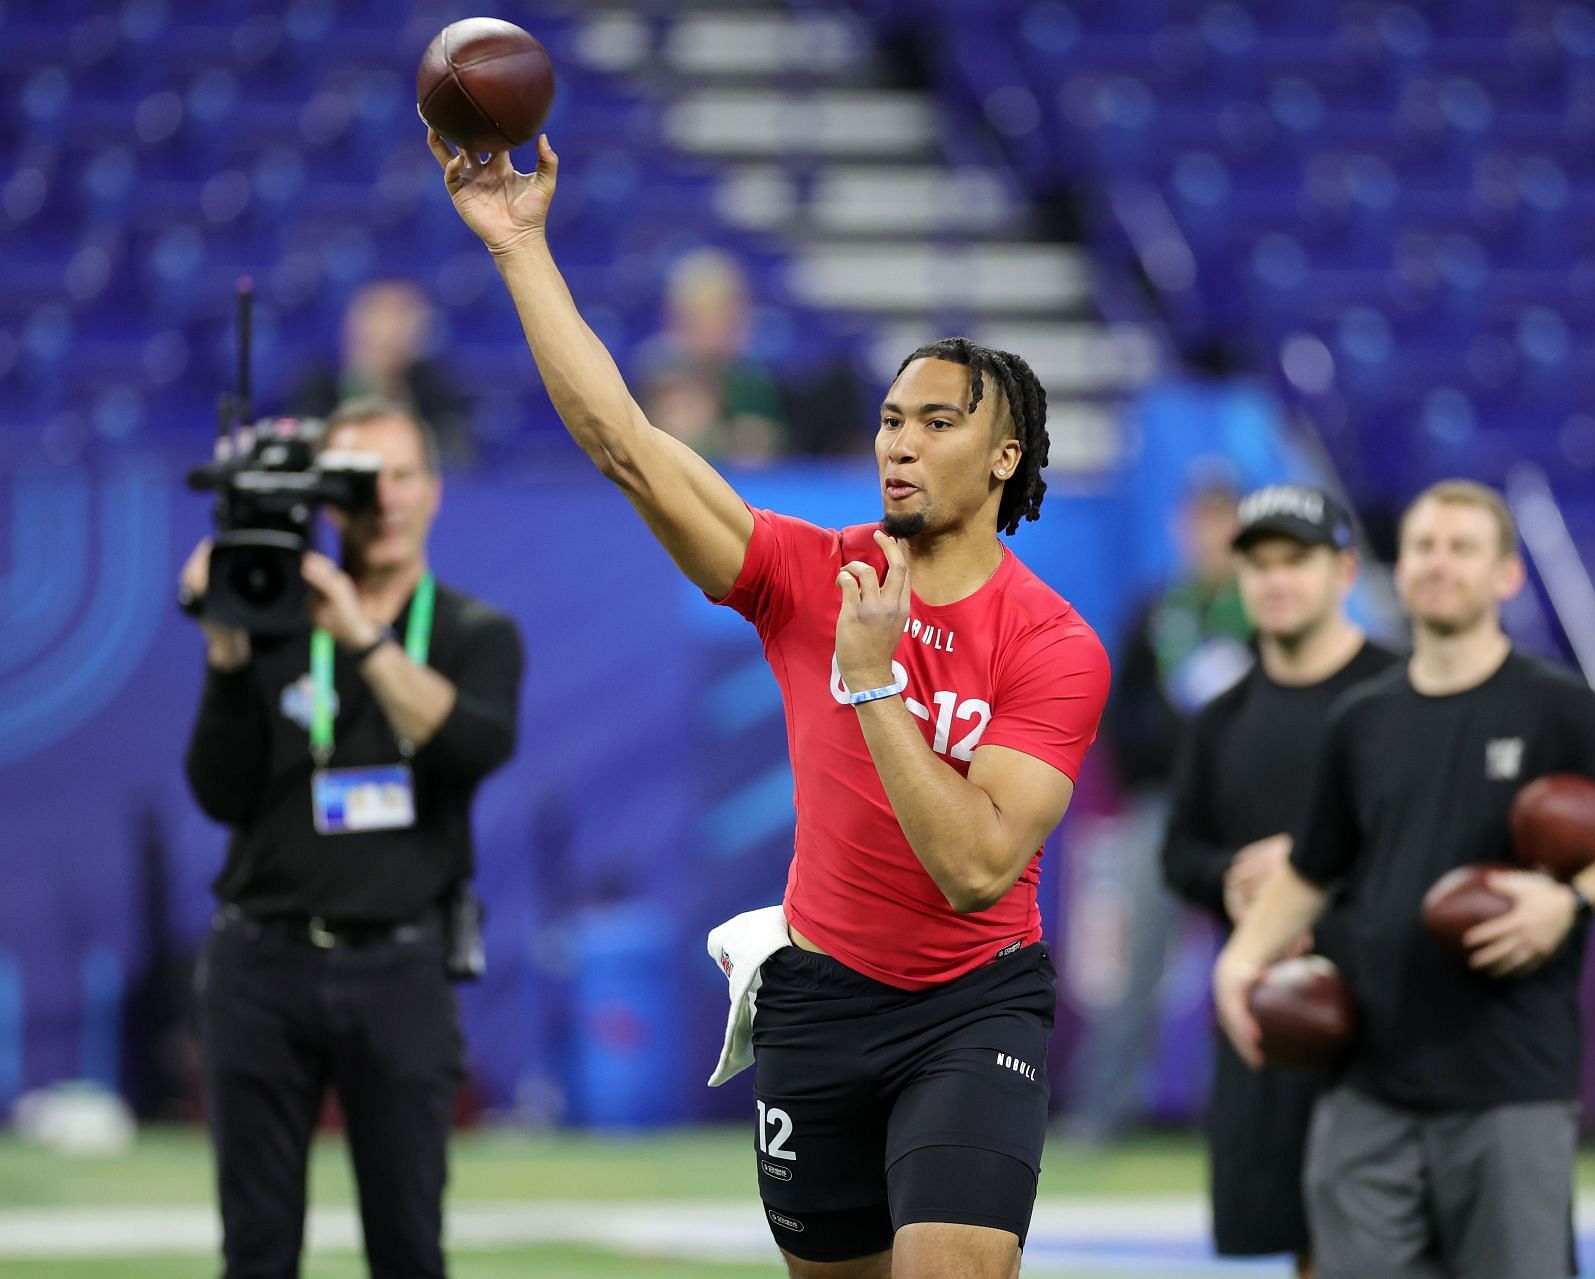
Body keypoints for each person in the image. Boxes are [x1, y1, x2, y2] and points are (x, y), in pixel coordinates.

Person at [427, 129, 1111, 1279]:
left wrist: (875, 679)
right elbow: (629, 449)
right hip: (820, 1001)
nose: (900, 441)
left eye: (938, 423)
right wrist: (519, 247)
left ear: (1006, 458)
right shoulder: (807, 570)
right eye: (892, 418)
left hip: (970, 1007)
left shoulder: (1053, 643)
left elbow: (977, 868)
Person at [1212, 480, 1595, 1279]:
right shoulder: (1362, 719)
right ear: (1397, 568)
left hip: (1508, 1083)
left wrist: (1570, 900)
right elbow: (1313, 869)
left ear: (1507, 574)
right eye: (1423, 547)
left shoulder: (1557, 706)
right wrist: (1241, 959)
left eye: (1462, 547)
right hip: (1367, 1078)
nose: (1438, 564)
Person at [179, 397, 523, 1279]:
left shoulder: (473, 632)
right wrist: (226, 649)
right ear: (328, 499)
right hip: (261, 962)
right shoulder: (271, 618)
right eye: (360, 480)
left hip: (399, 967)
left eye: (401, 474)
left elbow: (471, 746)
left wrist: (360, 635)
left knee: (408, 1244)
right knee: (256, 1248)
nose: (384, 498)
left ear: (434, 490)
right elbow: (218, 792)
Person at [1162, 485, 1399, 1276]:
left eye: (1295, 559)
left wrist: (1311, 867)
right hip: (1272, 1010)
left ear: (1344, 569)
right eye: (1257, 563)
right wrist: (1230, 872)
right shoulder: (1221, 714)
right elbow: (1178, 851)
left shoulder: (1403, 692)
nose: (1275, 579)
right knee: (1305, 1240)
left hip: (1396, 1010)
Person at [1063, 477, 1252, 1143]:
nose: (1212, 538)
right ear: (1183, 530)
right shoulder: (1159, 610)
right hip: (1165, 805)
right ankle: (1103, 1106)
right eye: (1202, 524)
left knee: (1252, 957)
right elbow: (1121, 709)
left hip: (1248, 811)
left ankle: (1245, 1111)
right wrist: (1156, 761)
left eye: (1225, 524)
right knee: (1137, 959)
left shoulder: (1264, 611)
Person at [291, 281, 475, 467]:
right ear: (354, 325)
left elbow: (455, 456)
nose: (393, 331)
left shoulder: (434, 386)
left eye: (405, 317)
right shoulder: (318, 386)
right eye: (383, 316)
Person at [632, 247, 789, 463]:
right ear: (679, 317)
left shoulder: (751, 377)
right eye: (704, 313)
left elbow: (757, 451)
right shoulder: (662, 370)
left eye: (726, 313)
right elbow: (664, 445)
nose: (718, 325)